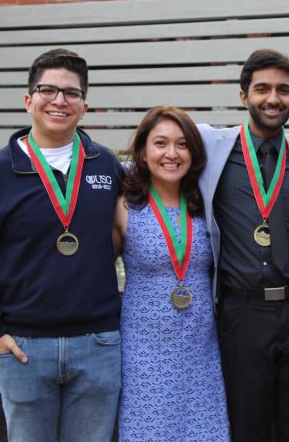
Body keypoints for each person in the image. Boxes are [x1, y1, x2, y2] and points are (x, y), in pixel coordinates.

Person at [0, 49, 123, 442]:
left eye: (72, 93)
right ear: (29, 100)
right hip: (23, 347)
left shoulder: (106, 166)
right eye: (48, 90)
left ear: (85, 106)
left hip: (97, 345)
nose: (60, 101)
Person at [198, 49, 289, 441]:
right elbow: (152, 154)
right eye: (263, 89)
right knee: (246, 423)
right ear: (243, 95)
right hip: (241, 311)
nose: (273, 99)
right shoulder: (210, 148)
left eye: (283, 90)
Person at [112, 106, 229, 441]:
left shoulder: (207, 203)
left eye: (182, 144)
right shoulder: (124, 205)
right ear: (144, 151)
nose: (171, 154)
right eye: (160, 143)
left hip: (201, 351)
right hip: (143, 353)